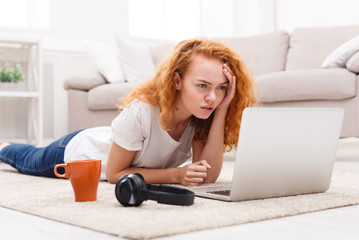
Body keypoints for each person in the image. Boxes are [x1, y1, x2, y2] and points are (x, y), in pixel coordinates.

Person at [0, 39, 258, 186]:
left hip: (107, 140)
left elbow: (208, 176)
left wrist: (223, 109)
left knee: (30, 153)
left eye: (221, 88)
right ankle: (4, 145)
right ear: (177, 81)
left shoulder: (203, 115)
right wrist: (175, 175)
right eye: (202, 85)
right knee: (27, 159)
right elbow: (115, 175)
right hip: (76, 152)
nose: (212, 97)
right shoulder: (143, 111)